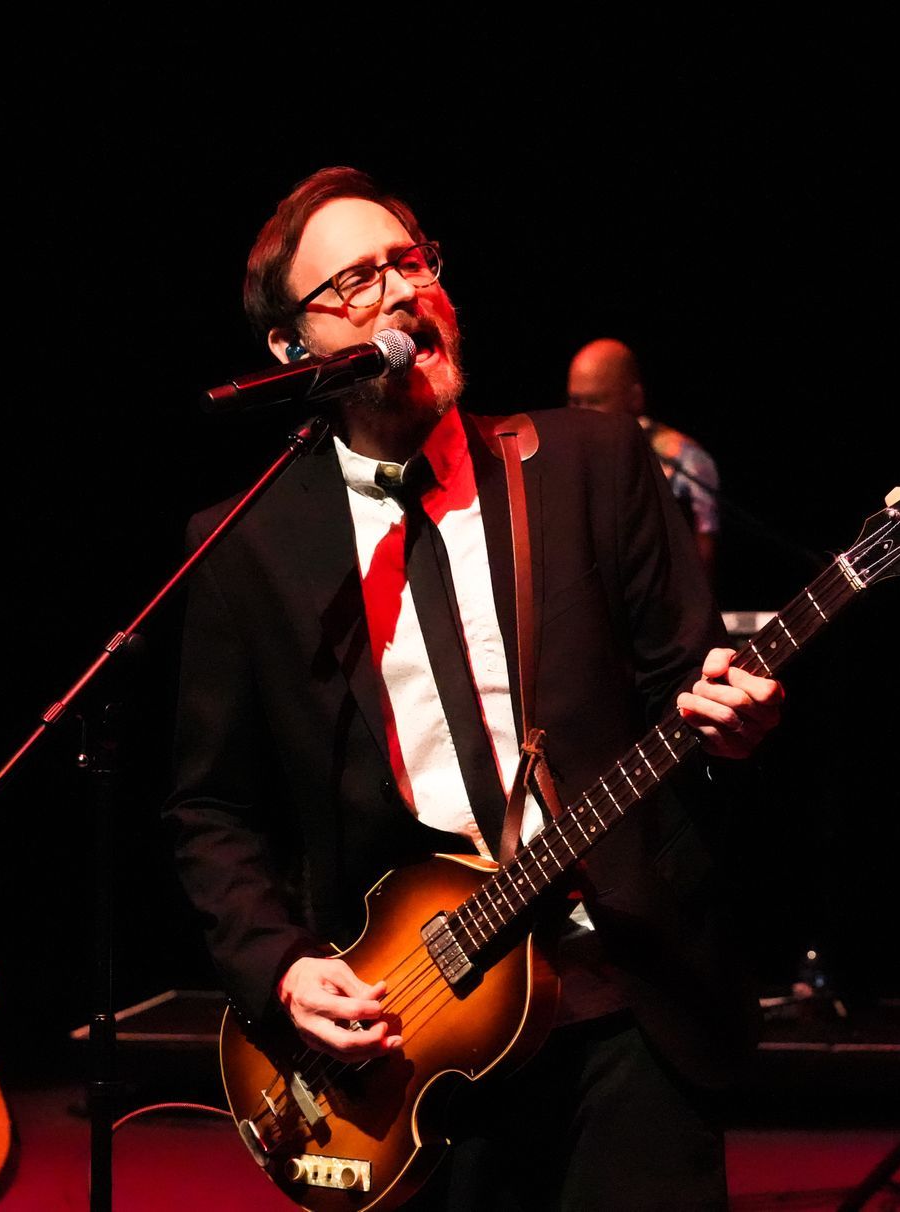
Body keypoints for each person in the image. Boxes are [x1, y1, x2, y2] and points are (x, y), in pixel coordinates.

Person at [165, 168, 782, 1209]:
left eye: (413, 262)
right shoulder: (248, 547)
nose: (404, 293)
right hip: (416, 1031)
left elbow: (693, 690)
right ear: (290, 348)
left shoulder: (586, 465)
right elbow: (209, 807)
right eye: (357, 281)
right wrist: (278, 967)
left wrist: (735, 727)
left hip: (621, 997)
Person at [567, 337, 722, 583]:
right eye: (575, 401)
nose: (582, 414)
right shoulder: (563, 460)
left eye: (595, 401)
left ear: (634, 398)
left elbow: (700, 572)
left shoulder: (685, 459)